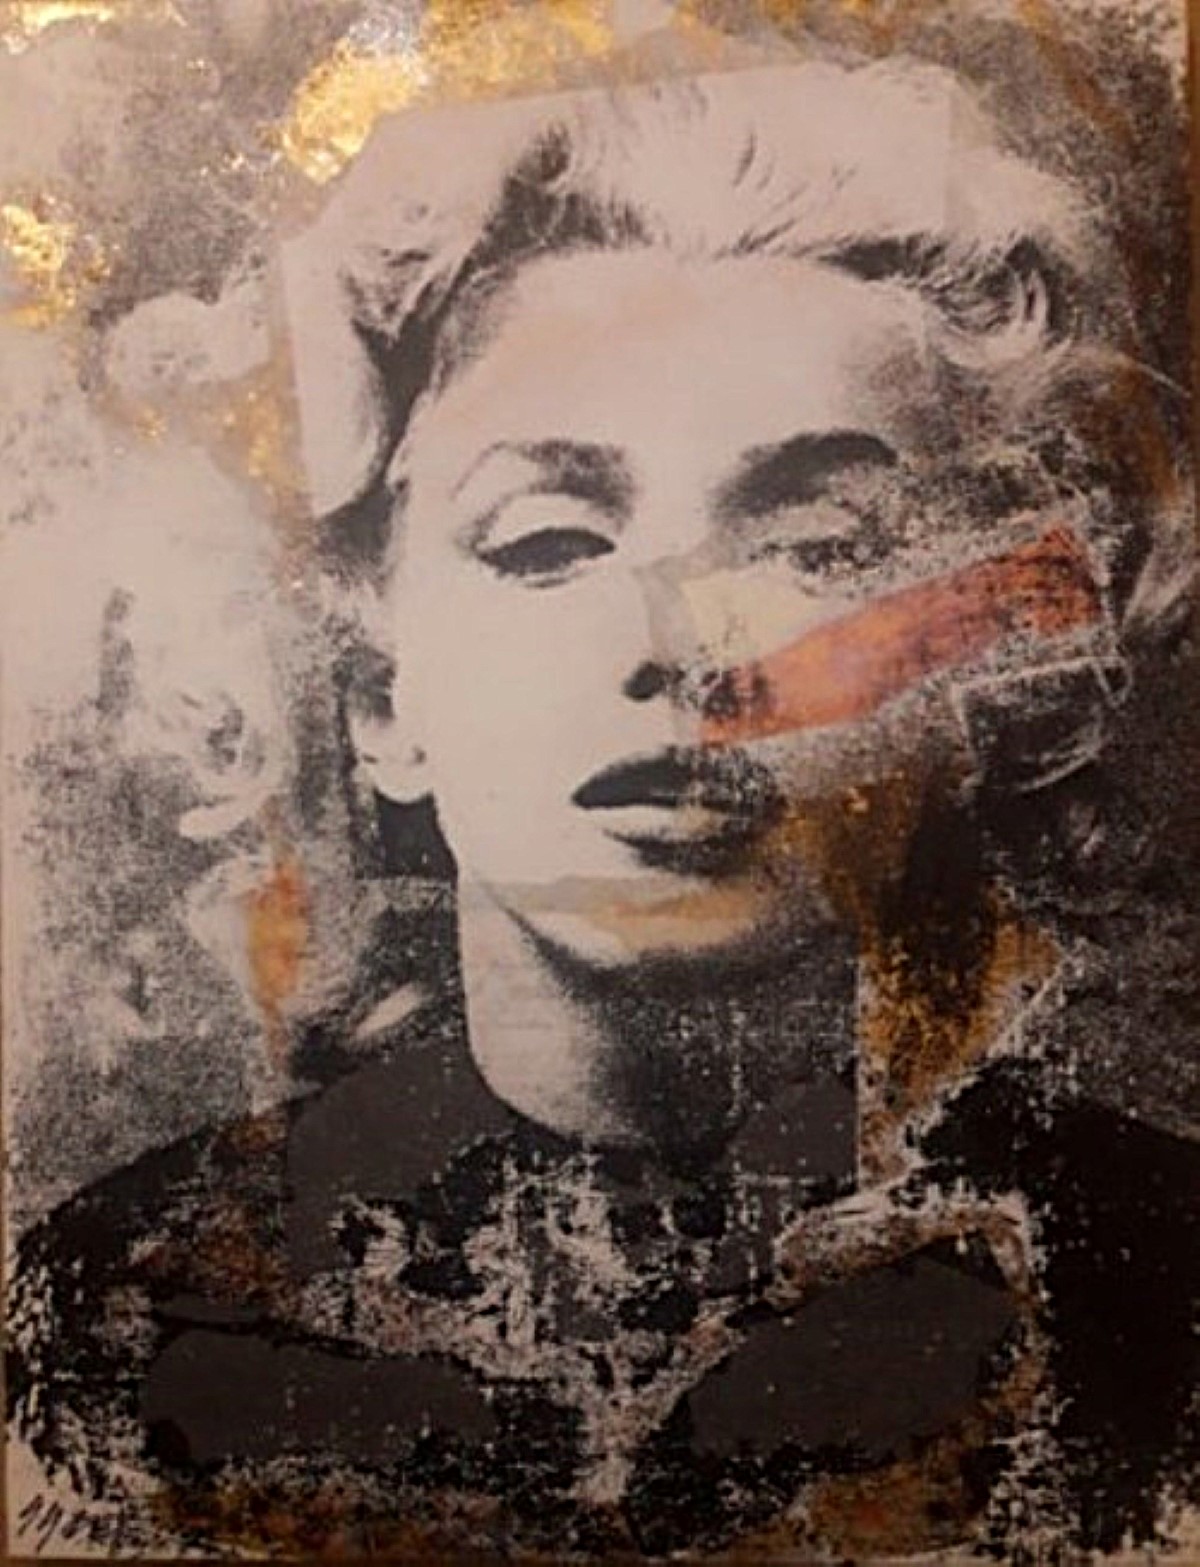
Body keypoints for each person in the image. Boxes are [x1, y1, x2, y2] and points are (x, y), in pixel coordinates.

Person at [8, 40, 1198, 1563]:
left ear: (972, 669)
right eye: (548, 544)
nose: (679, 650)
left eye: (817, 549)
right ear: (381, 697)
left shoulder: (1160, 1291)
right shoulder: (116, 1308)